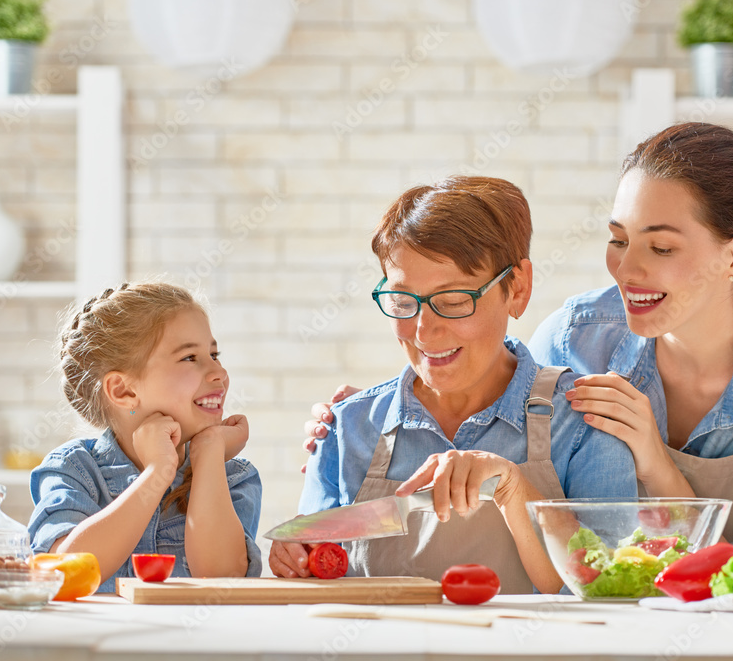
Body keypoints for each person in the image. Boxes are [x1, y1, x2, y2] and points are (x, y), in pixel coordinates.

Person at [305, 124, 733, 568]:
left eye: (660, 246)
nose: (627, 270)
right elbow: (489, 372)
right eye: (618, 239)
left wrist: (655, 464)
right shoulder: (578, 335)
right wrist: (380, 410)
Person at [270, 176, 637, 594]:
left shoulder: (585, 421)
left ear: (517, 288)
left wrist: (514, 487)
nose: (425, 331)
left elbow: (611, 591)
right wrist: (296, 562)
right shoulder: (347, 428)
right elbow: (317, 584)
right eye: (403, 301)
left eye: (454, 300)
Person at [28, 282, 262, 592]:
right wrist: (157, 473)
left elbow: (223, 576)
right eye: (190, 357)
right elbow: (65, 572)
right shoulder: (73, 470)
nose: (219, 372)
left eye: (214, 354)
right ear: (124, 391)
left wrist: (208, 453)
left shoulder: (233, 476)